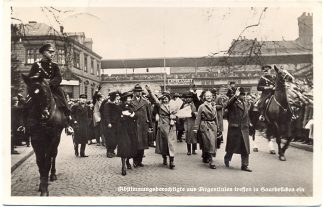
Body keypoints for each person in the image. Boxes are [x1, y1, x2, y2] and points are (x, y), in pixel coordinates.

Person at [28, 43, 73, 134]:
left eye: (53, 53)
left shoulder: (55, 65)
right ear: (44, 52)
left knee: (63, 100)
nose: (52, 54)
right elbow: (30, 78)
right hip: (39, 89)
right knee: (28, 102)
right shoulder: (36, 65)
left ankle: (67, 124)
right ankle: (23, 125)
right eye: (50, 52)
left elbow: (58, 78)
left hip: (53, 88)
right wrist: (38, 83)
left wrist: (49, 84)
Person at [146, 86, 177, 169]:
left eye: (166, 98)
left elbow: (178, 114)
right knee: (163, 143)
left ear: (169, 99)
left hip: (171, 126)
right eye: (164, 99)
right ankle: (164, 158)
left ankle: (171, 160)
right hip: (163, 126)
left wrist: (173, 117)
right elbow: (154, 98)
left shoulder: (173, 106)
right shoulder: (160, 105)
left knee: (171, 144)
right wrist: (149, 91)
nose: (165, 100)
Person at [224, 87, 252, 172]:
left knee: (245, 148)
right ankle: (227, 158)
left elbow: (246, 115)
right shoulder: (233, 103)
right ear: (238, 95)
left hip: (244, 128)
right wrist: (235, 96)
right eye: (242, 94)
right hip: (235, 128)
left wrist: (249, 123)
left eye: (244, 94)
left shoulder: (246, 103)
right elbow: (227, 105)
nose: (244, 96)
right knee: (231, 147)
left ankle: (244, 165)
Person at [193, 91, 219, 169]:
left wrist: (218, 128)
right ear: (204, 97)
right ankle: (211, 161)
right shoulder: (201, 106)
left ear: (212, 97)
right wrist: (196, 128)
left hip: (213, 126)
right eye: (207, 96)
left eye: (210, 96)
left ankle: (205, 156)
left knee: (210, 143)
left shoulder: (214, 105)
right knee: (210, 143)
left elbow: (216, 117)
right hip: (205, 125)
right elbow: (198, 118)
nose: (209, 97)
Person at [130, 84, 153, 168]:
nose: (138, 93)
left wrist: (150, 125)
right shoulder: (130, 101)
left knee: (142, 143)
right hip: (134, 124)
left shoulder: (145, 102)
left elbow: (149, 114)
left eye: (140, 91)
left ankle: (140, 161)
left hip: (143, 125)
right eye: (137, 91)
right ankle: (135, 161)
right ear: (134, 92)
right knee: (135, 143)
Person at [117, 91, 138, 176]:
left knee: (131, 146)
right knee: (124, 147)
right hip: (123, 130)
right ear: (124, 99)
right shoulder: (119, 107)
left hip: (131, 130)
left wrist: (132, 115)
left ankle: (128, 161)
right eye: (127, 98)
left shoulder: (131, 106)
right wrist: (123, 116)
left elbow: (136, 116)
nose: (129, 100)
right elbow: (116, 118)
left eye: (130, 98)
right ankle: (123, 167)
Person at [103, 91, 121, 158]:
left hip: (116, 124)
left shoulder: (116, 104)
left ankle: (112, 150)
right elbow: (106, 114)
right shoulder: (107, 104)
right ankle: (109, 152)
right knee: (110, 139)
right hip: (110, 124)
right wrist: (108, 122)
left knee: (116, 139)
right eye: (116, 96)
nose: (117, 98)